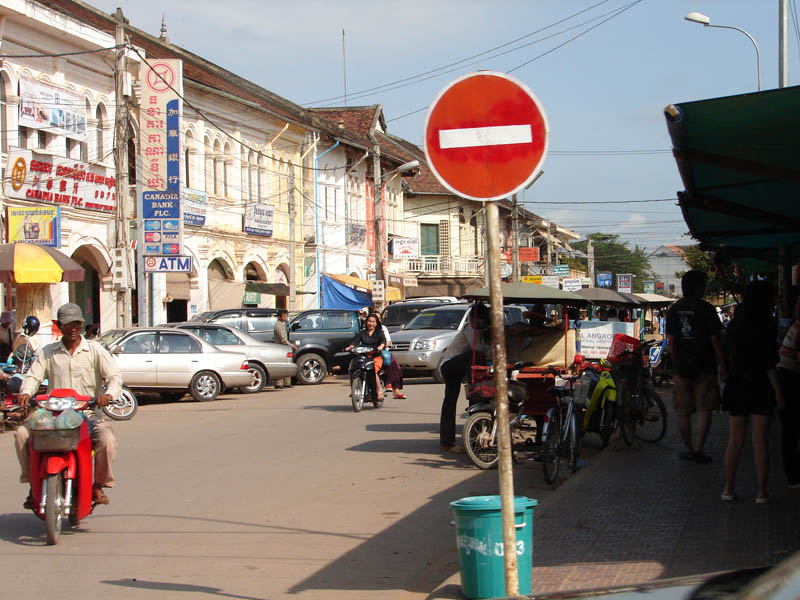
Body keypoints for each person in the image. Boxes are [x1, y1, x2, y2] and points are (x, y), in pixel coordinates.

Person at [14, 303, 121, 507]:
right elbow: (33, 377)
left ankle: (98, 484)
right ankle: (33, 483)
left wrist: (108, 394)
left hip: (87, 414)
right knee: (21, 434)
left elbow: (115, 377)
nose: (73, 328)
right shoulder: (48, 352)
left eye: (77, 324)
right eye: (68, 324)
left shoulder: (94, 350)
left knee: (106, 440)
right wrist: (26, 392)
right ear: (59, 326)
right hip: (53, 415)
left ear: (81, 325)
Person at [720, 281, 783, 503]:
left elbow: (727, 354)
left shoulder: (735, 324)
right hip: (760, 385)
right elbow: (769, 362)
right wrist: (778, 392)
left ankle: (728, 489)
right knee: (759, 441)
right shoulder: (766, 324)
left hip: (737, 384)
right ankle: (762, 492)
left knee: (735, 440)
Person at [666, 270, 726, 463]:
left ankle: (689, 449)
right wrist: (722, 364)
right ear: (697, 287)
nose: (705, 288)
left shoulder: (674, 310)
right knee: (704, 408)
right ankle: (699, 449)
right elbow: (715, 339)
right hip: (705, 366)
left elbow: (672, 341)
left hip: (682, 368)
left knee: (683, 410)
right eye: (703, 285)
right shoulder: (707, 309)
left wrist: (675, 362)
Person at [437, 303, 490, 453]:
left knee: (451, 400)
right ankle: (446, 442)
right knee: (452, 400)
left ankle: (473, 434)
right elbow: (479, 350)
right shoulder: (469, 329)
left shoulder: (482, 330)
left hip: (461, 367)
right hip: (449, 367)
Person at [777, 289, 800, 489]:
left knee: (790, 430)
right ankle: (793, 474)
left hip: (787, 378)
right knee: (791, 430)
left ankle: (792, 473)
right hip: (790, 379)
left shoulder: (796, 326)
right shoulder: (798, 329)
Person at [344, 313, 386, 397]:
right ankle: (354, 390)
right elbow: (355, 341)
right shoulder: (362, 333)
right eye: (369, 321)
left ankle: (379, 390)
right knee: (353, 368)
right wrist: (350, 347)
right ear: (366, 322)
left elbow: (383, 342)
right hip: (364, 356)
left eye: (373, 322)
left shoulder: (379, 333)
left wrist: (380, 346)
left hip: (375, 356)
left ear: (376, 323)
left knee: (373, 370)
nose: (371, 323)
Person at [374, 312, 406, 400]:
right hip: (367, 353)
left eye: (377, 319)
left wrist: (381, 346)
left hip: (381, 352)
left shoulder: (382, 329)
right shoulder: (364, 330)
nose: (373, 322)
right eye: (372, 319)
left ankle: (395, 390)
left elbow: (387, 341)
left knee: (393, 364)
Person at [273, 309, 296, 389]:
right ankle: (278, 384)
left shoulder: (282, 324)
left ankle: (287, 383)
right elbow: (283, 339)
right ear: (279, 317)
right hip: (280, 348)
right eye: (284, 317)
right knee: (281, 365)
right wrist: (292, 346)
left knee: (287, 365)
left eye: (286, 316)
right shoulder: (278, 325)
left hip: (284, 348)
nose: (285, 318)